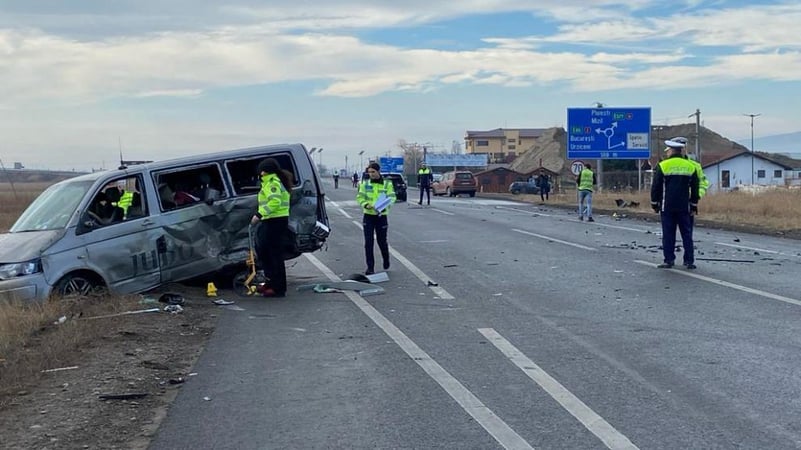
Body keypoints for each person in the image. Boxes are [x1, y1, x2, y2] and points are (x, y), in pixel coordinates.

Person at [651, 138, 700, 269]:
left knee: (668, 233)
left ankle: (669, 260)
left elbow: (656, 186)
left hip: (667, 205)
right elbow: (695, 187)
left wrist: (654, 203)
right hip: (685, 206)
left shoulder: (663, 165)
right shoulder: (690, 166)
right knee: (687, 233)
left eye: (668, 150)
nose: (667, 153)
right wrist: (694, 204)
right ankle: (689, 261)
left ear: (672, 150)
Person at [250, 158, 292, 297]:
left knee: (274, 255)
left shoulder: (272, 183)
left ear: (264, 171)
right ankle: (270, 282)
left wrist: (259, 214)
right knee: (266, 252)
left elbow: (275, 201)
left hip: (275, 221)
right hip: (272, 220)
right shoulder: (271, 181)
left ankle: (278, 288)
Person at [356, 162, 396, 275]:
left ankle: (386, 258)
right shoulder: (365, 184)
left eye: (373, 172)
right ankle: (370, 267)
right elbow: (360, 197)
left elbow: (392, 197)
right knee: (368, 242)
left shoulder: (387, 184)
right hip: (368, 215)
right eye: (369, 172)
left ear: (378, 171)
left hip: (381, 216)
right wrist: (365, 204)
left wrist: (385, 205)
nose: (371, 174)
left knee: (381, 241)